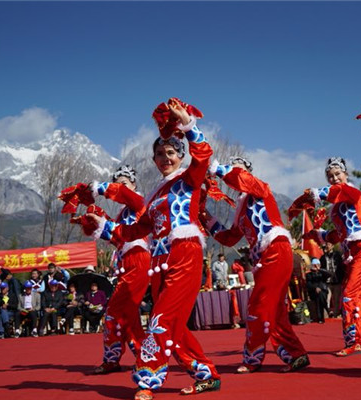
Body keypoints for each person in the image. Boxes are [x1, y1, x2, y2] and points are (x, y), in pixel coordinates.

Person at [88, 98, 220, 399]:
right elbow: (135, 230)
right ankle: (207, 373)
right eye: (159, 153)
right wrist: (102, 226)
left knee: (159, 319)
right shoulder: (155, 194)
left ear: (180, 155)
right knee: (174, 325)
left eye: (171, 152)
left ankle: (148, 379)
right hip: (160, 260)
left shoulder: (189, 180)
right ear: (153, 160)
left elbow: (203, 156)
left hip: (185, 253)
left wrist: (187, 124)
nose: (165, 157)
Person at [206, 155, 309, 374]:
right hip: (265, 256)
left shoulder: (259, 187)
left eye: (239, 169)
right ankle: (295, 354)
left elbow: (243, 179)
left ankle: (253, 357)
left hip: (275, 250)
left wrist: (217, 168)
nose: (235, 172)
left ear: (248, 172)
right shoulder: (241, 209)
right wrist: (204, 215)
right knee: (274, 308)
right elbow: (229, 238)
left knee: (258, 306)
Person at [291, 156, 361, 356]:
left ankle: (354, 341)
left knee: (350, 295)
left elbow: (335, 191)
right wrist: (318, 235)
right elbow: (338, 234)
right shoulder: (338, 206)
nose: (334, 178)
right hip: (353, 252)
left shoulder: (351, 192)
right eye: (330, 176)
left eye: (338, 174)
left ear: (346, 174)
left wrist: (314, 194)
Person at [87, 164, 151, 374]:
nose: (120, 188)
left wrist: (104, 188)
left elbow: (125, 196)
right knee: (129, 316)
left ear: (133, 184)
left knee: (114, 312)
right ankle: (146, 358)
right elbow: (116, 238)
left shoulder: (138, 202)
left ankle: (112, 359)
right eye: (118, 184)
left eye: (124, 184)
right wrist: (94, 224)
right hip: (127, 261)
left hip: (137, 260)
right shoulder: (124, 212)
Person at [320, 241, 345, 317]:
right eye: (326, 244)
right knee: (327, 298)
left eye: (329, 244)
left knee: (336, 299)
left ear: (332, 246)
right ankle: (327, 313)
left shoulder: (337, 255)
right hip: (327, 281)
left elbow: (341, 267)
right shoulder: (323, 257)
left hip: (336, 280)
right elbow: (321, 268)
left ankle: (336, 313)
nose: (327, 246)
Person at [305, 258, 330, 323]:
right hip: (314, 292)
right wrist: (315, 288)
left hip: (323, 290)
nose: (316, 267)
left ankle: (320, 318)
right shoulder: (309, 274)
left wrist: (319, 269)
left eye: (318, 265)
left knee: (320, 295)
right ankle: (327, 309)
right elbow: (308, 284)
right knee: (319, 296)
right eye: (315, 265)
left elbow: (330, 274)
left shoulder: (322, 273)